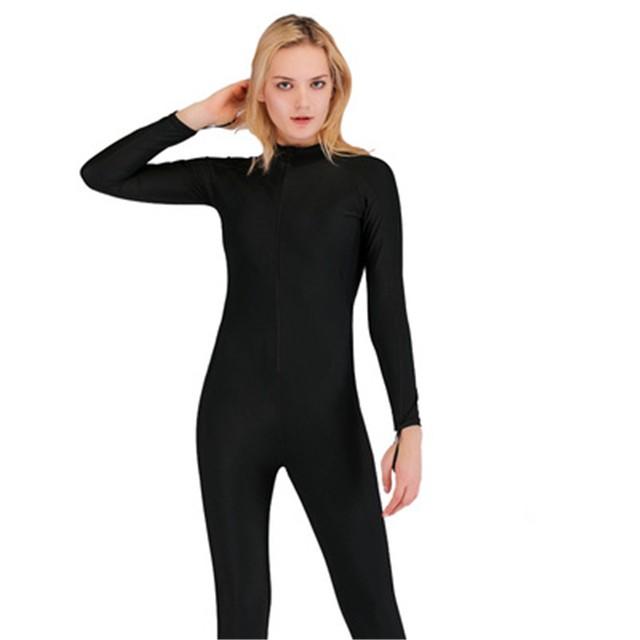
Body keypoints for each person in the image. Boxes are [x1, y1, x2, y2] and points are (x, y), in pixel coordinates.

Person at [80, 14, 423, 640]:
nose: (302, 101)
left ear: (336, 86)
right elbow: (102, 174)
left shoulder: (368, 180)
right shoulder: (232, 180)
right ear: (259, 89)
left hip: (328, 422)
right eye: (284, 84)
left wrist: (409, 423)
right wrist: (196, 116)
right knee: (241, 619)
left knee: (375, 613)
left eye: (317, 83)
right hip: (233, 420)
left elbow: (387, 309)